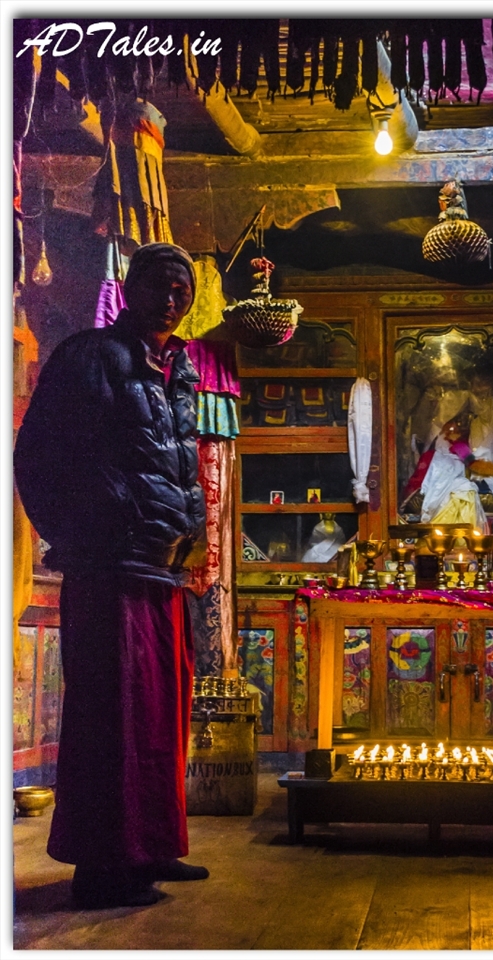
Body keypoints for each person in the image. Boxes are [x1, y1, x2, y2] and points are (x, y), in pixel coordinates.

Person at [14, 243, 209, 908]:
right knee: (109, 718)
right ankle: (101, 864)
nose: (172, 297)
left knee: (159, 718)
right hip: (108, 565)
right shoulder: (90, 357)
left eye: (183, 287)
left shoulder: (179, 371)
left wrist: (191, 543)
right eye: (159, 283)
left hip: (163, 570)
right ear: (130, 288)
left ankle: (150, 848)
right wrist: (73, 535)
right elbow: (38, 457)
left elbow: (179, 469)